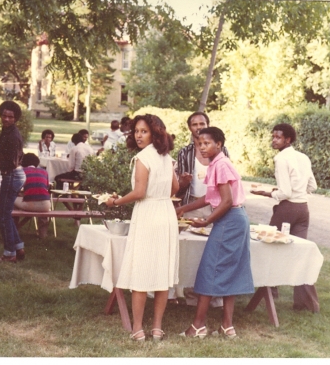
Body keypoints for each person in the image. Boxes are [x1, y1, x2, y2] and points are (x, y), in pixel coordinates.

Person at [105, 114, 179, 342]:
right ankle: (157, 328)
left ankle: (138, 327)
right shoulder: (166, 157)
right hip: (166, 214)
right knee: (161, 271)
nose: (138, 135)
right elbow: (175, 188)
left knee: (141, 270)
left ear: (155, 133)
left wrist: (115, 202)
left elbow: (139, 192)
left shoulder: (142, 158)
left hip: (148, 214)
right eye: (136, 131)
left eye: (144, 131)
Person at [175, 127, 253, 339]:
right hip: (236, 220)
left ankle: (198, 326)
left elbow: (226, 201)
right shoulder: (217, 164)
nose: (202, 147)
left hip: (230, 220)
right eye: (199, 144)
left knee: (210, 271)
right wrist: (183, 208)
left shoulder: (221, 164)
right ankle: (227, 327)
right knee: (230, 271)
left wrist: (206, 221)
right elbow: (210, 198)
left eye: (207, 143)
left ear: (219, 144)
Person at [251, 123, 319, 312]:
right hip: (303, 209)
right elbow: (312, 186)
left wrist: (268, 193)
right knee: (300, 253)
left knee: (270, 248)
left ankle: (270, 292)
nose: (274, 140)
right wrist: (286, 191)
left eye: (278, 137)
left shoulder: (280, 158)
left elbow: (285, 192)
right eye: (273, 137)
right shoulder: (303, 157)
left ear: (288, 139)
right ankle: (306, 304)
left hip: (287, 209)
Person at [175, 111, 229, 308]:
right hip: (192, 205)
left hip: (216, 207)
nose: (198, 127)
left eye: (202, 123)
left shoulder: (222, 152)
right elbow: (178, 187)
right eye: (194, 124)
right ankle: (190, 296)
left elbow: (226, 187)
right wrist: (182, 182)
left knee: (214, 250)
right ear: (189, 128)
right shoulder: (184, 153)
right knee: (191, 252)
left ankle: (214, 296)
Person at [0, 101, 26, 263]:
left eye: (10, 117)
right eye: (4, 116)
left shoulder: (13, 135)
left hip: (12, 175)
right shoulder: (7, 130)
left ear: (15, 118)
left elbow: (12, 162)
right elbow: (4, 152)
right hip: (13, 174)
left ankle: (10, 253)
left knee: (3, 215)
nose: (6, 119)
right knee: (4, 214)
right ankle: (18, 247)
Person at [14, 153, 51, 239]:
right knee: (41, 202)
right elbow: (45, 187)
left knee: (12, 200)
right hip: (46, 205)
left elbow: (16, 188)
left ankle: (14, 228)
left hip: (30, 204)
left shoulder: (21, 171)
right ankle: (43, 234)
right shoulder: (44, 172)